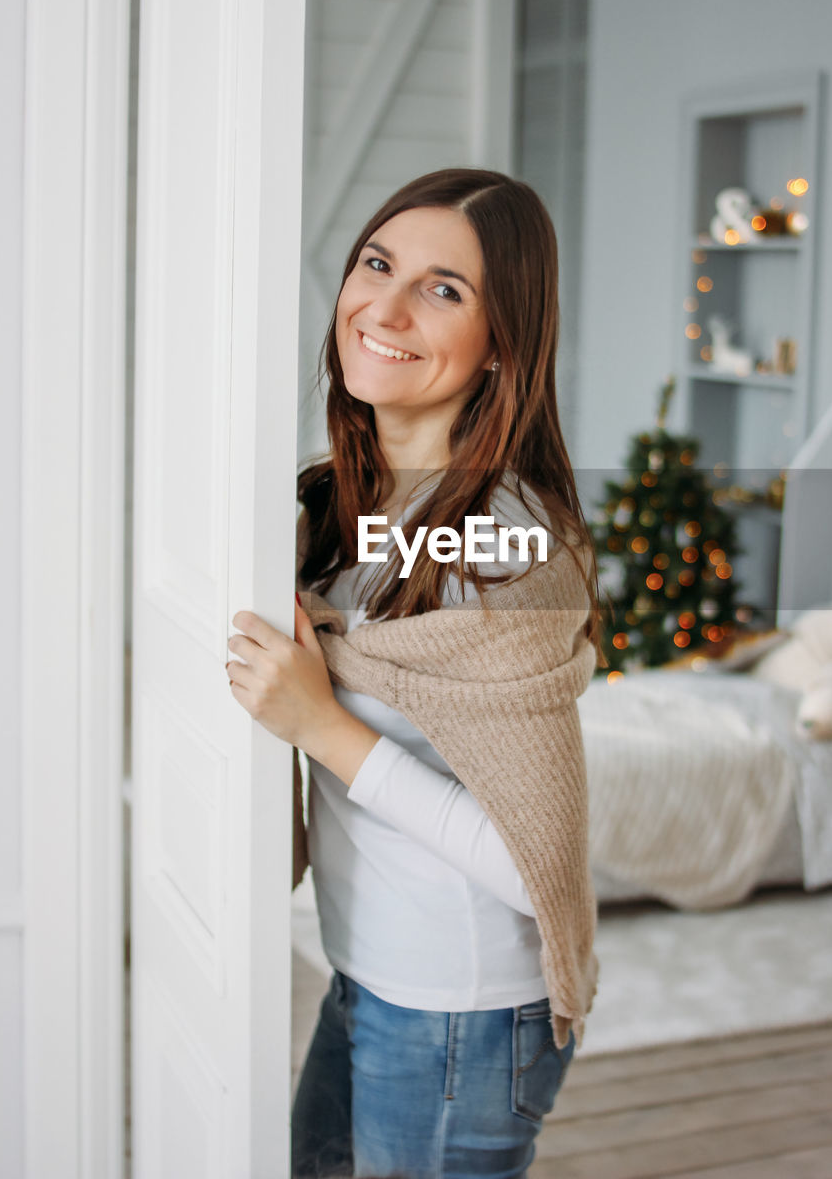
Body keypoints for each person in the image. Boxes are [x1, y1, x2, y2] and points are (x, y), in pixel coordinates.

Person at [225, 168, 605, 1179]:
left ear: (501, 347)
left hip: (457, 1012)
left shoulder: (506, 548)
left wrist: (320, 723)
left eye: (443, 289)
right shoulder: (335, 508)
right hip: (368, 975)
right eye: (377, 264)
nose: (384, 307)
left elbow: (530, 864)